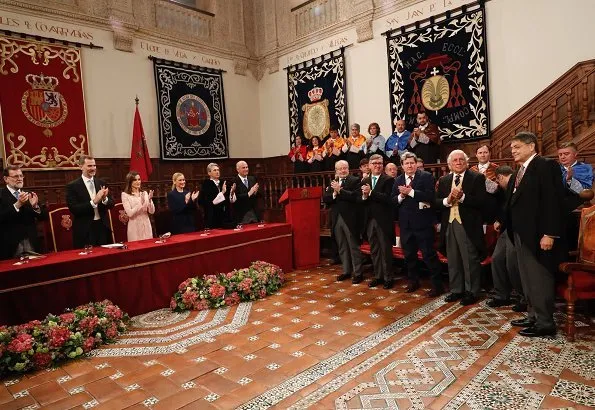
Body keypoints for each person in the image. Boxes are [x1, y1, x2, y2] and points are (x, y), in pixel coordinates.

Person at [505, 132, 565, 337]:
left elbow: (553, 201)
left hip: (539, 235)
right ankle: (533, 315)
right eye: (512, 148)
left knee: (539, 279)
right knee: (527, 278)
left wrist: (550, 233)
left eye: (517, 147)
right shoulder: (519, 171)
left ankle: (545, 323)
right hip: (521, 234)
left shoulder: (546, 166)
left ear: (531, 146)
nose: (513, 151)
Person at [436, 150, 487, 305]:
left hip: (468, 225)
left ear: (466, 162)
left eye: (461, 160)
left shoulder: (476, 178)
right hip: (449, 223)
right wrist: (448, 200)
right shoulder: (444, 180)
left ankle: (472, 291)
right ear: (450, 164)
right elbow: (437, 202)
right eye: (455, 160)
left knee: (469, 259)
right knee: (453, 259)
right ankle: (456, 290)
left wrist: (462, 197)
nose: (458, 162)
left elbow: (481, 202)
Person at [393, 152, 443, 296]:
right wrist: (401, 196)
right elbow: (392, 201)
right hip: (406, 225)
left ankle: (437, 286)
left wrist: (411, 192)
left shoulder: (426, 177)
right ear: (402, 166)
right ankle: (413, 282)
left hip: (423, 224)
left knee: (429, 256)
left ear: (416, 164)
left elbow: (430, 197)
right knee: (409, 256)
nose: (409, 165)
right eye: (406, 163)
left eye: (412, 163)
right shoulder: (398, 180)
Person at [488, 166, 525, 311]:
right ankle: (501, 295)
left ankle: (524, 297)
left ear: (500, 178)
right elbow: (504, 207)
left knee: (512, 264)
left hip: (517, 229)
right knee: (497, 259)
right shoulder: (505, 188)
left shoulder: (517, 183)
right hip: (506, 228)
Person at [323, 160, 363, 283]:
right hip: (336, 219)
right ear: (336, 171)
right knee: (342, 246)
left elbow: (355, 197)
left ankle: (358, 273)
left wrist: (340, 191)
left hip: (350, 219)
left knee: (353, 246)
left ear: (348, 169)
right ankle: (346, 271)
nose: (342, 170)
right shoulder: (333, 182)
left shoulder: (355, 180)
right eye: (340, 169)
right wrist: (334, 193)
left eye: (344, 168)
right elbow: (326, 198)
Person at [359, 154, 395, 289]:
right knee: (374, 250)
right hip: (369, 220)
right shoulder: (365, 180)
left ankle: (388, 277)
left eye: (379, 163)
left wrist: (371, 192)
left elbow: (388, 199)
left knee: (385, 250)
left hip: (383, 220)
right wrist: (364, 196)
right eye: (374, 163)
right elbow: (362, 201)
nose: (377, 165)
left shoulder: (388, 180)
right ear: (369, 165)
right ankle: (378, 276)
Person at [66, 155, 114, 248]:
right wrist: (94, 201)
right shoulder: (72, 186)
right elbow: (74, 209)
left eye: (94, 165)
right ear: (81, 166)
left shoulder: (102, 183)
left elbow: (112, 204)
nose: (93, 168)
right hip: (85, 229)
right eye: (89, 166)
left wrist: (104, 199)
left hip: (102, 227)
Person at [0, 165, 47, 260]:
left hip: (31, 241)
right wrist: (17, 205)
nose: (19, 179)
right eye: (15, 176)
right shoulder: (1, 194)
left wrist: (35, 206)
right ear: (6, 179)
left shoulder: (29, 194)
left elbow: (44, 217)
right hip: (9, 244)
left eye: (21, 176)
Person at [121, 171, 155, 242]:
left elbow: (152, 211)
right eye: (135, 180)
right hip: (134, 226)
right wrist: (140, 203)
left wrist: (149, 200)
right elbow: (130, 214)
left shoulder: (144, 193)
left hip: (146, 225)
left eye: (139, 179)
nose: (138, 182)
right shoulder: (125, 195)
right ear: (130, 182)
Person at [198, 163, 235, 228]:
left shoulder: (224, 183)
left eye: (218, 170)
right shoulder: (206, 185)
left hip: (225, 217)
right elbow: (211, 202)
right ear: (209, 173)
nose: (217, 172)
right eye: (214, 170)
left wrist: (232, 193)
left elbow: (231, 201)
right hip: (212, 217)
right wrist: (222, 192)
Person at [470, 144, 500, 222]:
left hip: (492, 206)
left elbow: (499, 189)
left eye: (485, 152)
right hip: (475, 208)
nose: (482, 155)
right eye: (480, 153)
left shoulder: (497, 169)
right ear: (476, 155)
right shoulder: (471, 171)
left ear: (489, 153)